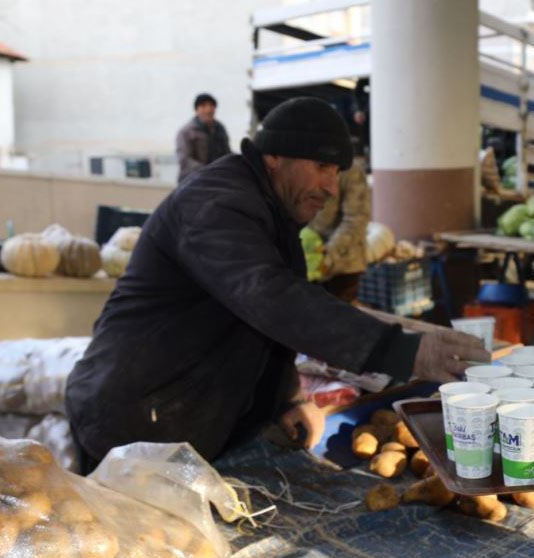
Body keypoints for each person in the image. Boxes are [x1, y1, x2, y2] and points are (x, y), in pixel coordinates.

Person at [67, 97, 487, 466]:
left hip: (180, 415)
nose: (330, 186)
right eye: (321, 166)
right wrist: (401, 349)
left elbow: (267, 324)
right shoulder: (216, 203)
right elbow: (271, 298)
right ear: (273, 157)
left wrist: (289, 398)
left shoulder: (273, 212)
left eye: (337, 171)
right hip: (136, 419)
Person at [307, 159, 370, 303]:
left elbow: (356, 219)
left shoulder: (351, 169)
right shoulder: (306, 162)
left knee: (339, 321)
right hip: (310, 263)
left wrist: (328, 257)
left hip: (343, 264)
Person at [176, 93, 232, 182]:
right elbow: (184, 160)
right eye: (203, 106)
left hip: (218, 179)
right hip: (192, 182)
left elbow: (227, 153)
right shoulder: (186, 132)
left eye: (211, 106)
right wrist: (208, 171)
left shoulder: (220, 129)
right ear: (197, 110)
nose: (208, 109)